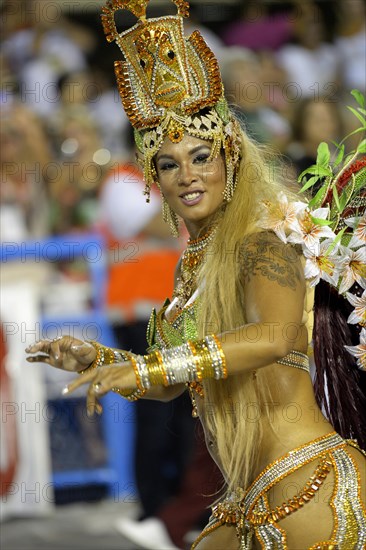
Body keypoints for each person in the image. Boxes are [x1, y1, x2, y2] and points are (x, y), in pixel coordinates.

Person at [26, 1, 366, 548]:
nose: (187, 175)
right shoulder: (195, 267)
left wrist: (149, 366)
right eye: (168, 163)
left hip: (309, 484)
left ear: (230, 155)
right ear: (152, 177)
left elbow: (275, 336)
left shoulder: (262, 239)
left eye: (201, 156)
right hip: (243, 498)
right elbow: (174, 382)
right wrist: (112, 362)